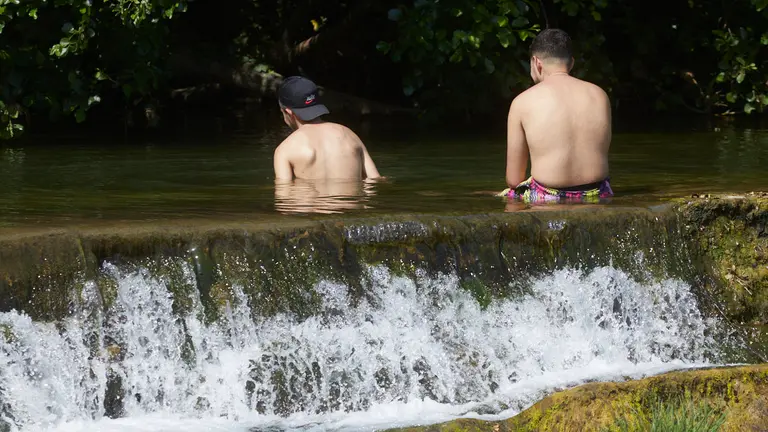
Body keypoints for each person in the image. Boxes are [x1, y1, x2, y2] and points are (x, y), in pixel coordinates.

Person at [499, 28, 613, 204]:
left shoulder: (522, 102)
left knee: (504, 194)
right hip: (598, 193)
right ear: (571, 63)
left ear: (537, 63)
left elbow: (514, 180)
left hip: (548, 196)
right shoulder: (599, 95)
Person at [273, 76, 381, 181]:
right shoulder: (350, 136)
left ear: (288, 112)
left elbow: (284, 194)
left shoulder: (285, 150)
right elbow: (375, 180)